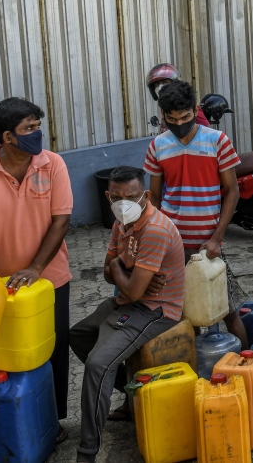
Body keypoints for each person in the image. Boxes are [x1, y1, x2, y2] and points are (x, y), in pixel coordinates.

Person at [0, 97, 73, 444]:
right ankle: (2, 424)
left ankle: (52, 426)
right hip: (0, 288)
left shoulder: (52, 165)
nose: (37, 134)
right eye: (29, 129)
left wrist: (36, 268)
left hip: (49, 281)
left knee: (52, 352)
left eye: (38, 126)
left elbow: (61, 220)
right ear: (8, 137)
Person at [69, 167, 184, 463]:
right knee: (78, 335)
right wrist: (125, 271)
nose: (124, 202)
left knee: (98, 364)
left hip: (156, 309)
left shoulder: (155, 229)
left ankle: (87, 452)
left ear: (145, 195)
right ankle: (132, 395)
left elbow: (127, 285)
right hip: (128, 301)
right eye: (117, 197)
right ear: (108, 197)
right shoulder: (121, 224)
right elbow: (110, 277)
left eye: (131, 196)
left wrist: (120, 268)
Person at [144, 81, 248, 347]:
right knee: (179, 313)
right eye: (172, 118)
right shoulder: (158, 146)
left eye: (186, 117)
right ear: (163, 114)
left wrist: (217, 237)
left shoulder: (217, 141)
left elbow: (232, 191)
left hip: (208, 245)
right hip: (172, 244)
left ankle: (246, 364)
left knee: (227, 311)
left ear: (195, 110)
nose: (180, 124)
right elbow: (154, 197)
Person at [146, 63, 210, 128]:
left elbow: (207, 133)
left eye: (165, 82)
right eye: (157, 84)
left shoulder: (189, 108)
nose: (160, 87)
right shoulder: (165, 108)